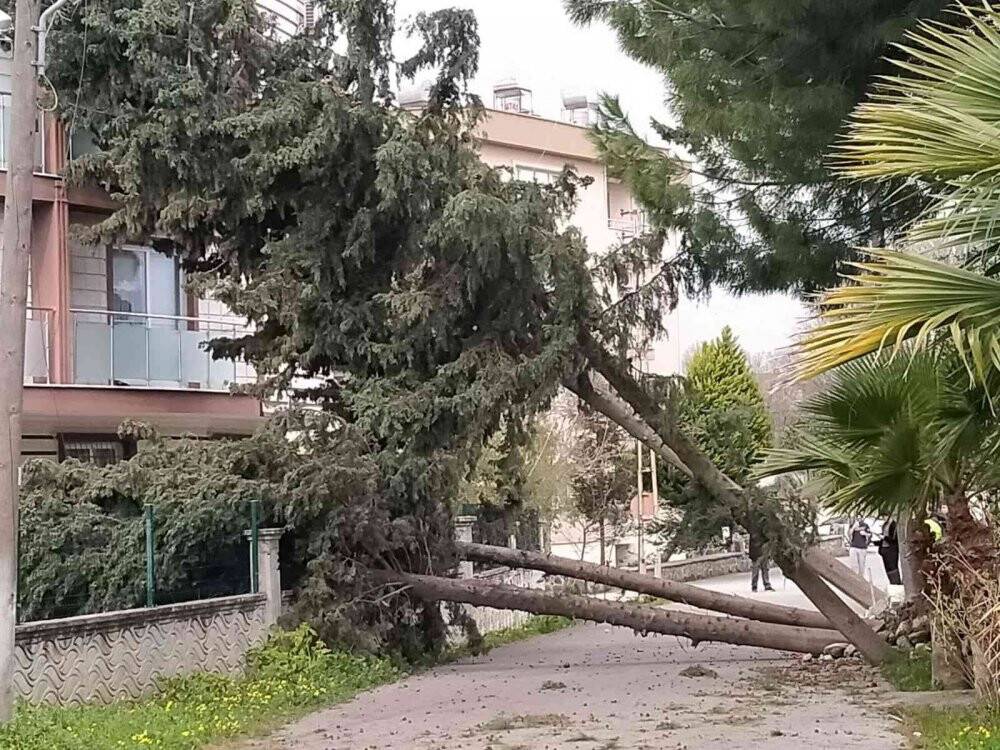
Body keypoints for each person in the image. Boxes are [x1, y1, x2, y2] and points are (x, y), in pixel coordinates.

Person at [878, 518, 901, 585]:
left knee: (892, 567)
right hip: (884, 549)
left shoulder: (894, 525)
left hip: (891, 550)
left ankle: (896, 583)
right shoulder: (885, 524)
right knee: (887, 568)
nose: (884, 518)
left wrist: (884, 537)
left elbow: (894, 540)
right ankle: (892, 582)